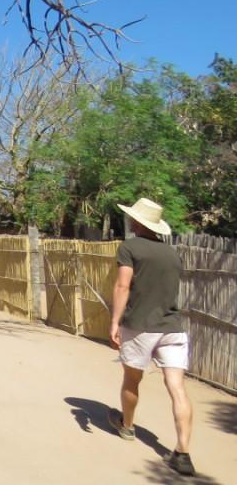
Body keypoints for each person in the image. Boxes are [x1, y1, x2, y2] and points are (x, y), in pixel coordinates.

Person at [107, 198, 194, 477]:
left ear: (136, 222)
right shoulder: (172, 253)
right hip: (172, 328)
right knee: (177, 388)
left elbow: (123, 285)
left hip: (140, 326)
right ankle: (182, 453)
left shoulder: (130, 247)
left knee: (132, 379)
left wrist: (114, 321)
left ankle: (127, 426)